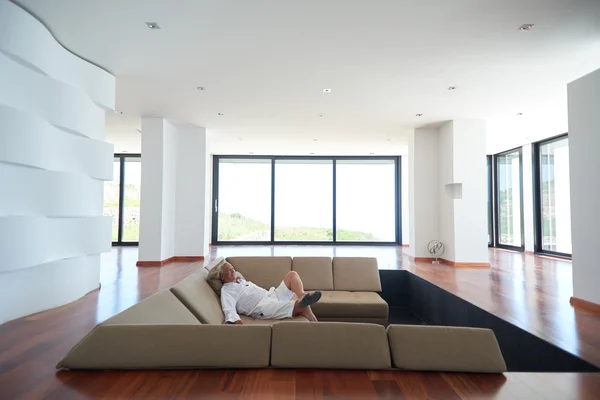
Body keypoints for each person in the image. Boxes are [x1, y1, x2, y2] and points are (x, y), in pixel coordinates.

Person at [218, 262, 321, 324]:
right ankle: (320, 332)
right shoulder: (227, 290)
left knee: (292, 275)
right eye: (229, 271)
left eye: (233, 269)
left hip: (271, 295)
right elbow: (229, 309)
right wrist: (237, 322)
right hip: (263, 307)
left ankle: (301, 295)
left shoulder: (240, 280)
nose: (233, 272)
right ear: (222, 277)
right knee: (303, 306)